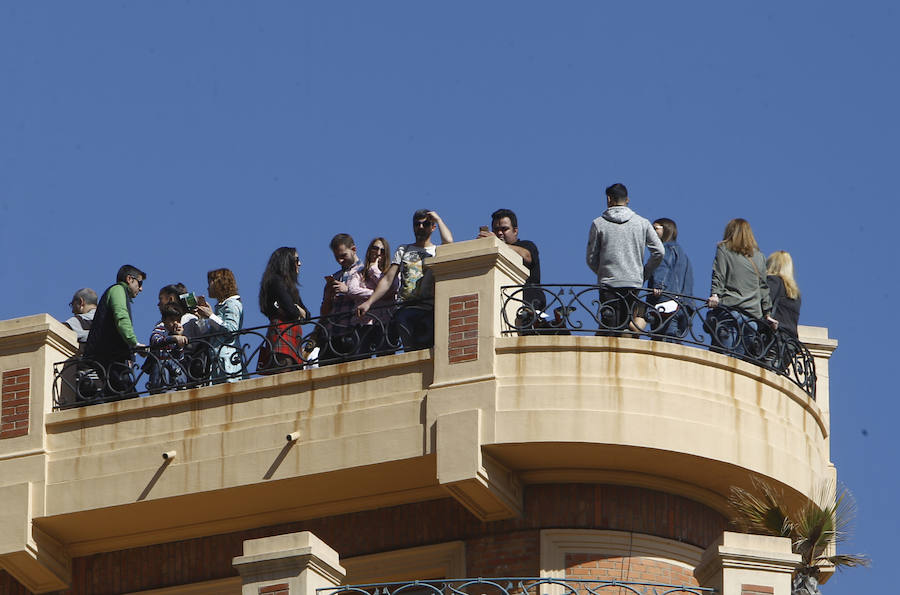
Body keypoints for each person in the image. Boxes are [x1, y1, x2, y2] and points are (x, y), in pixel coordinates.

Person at [356, 210, 453, 350]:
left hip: (430, 308)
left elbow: (449, 242)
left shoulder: (437, 251)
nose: (420, 227)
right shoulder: (404, 249)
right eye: (417, 224)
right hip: (406, 308)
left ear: (433, 227)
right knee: (410, 348)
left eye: (425, 224)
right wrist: (369, 302)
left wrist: (438, 219)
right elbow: (388, 279)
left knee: (430, 349)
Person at [586, 183, 664, 334]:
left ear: (609, 199)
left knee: (609, 323)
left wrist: (604, 271)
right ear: (627, 199)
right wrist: (643, 272)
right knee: (624, 323)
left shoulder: (598, 224)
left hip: (608, 282)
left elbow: (591, 257)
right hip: (633, 281)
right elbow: (659, 251)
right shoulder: (642, 223)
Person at [707, 219, 778, 356]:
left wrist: (715, 294)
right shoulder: (759, 257)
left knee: (725, 358)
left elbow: (719, 274)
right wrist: (767, 314)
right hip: (752, 318)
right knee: (738, 362)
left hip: (730, 310)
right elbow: (763, 288)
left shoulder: (724, 249)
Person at [83, 265, 147, 397]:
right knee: (129, 398)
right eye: (139, 283)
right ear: (130, 279)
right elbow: (121, 317)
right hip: (109, 358)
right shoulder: (118, 290)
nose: (141, 289)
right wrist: (134, 343)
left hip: (108, 359)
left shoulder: (118, 292)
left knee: (120, 396)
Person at [478, 209, 545, 325]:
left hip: (529, 306)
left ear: (515, 231)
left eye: (504, 229)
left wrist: (497, 243)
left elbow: (526, 256)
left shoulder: (526, 245)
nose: (499, 233)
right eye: (496, 230)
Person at [319, 234, 370, 362]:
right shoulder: (335, 276)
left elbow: (376, 295)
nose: (340, 261)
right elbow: (324, 313)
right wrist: (327, 297)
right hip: (331, 337)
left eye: (343, 256)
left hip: (355, 333)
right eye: (337, 257)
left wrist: (348, 290)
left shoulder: (367, 272)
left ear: (353, 250)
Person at [258, 247, 310, 371]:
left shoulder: (290, 286)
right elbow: (292, 310)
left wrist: (296, 310)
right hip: (282, 333)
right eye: (297, 259)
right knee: (284, 372)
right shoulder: (276, 281)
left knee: (293, 377)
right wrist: (297, 311)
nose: (300, 263)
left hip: (291, 335)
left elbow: (307, 315)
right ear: (287, 261)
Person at [646, 218, 694, 339]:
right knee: (673, 339)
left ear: (666, 229)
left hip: (665, 302)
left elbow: (663, 267)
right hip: (683, 306)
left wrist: (658, 286)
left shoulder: (665, 249)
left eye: (655, 228)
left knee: (662, 341)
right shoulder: (683, 255)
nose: (652, 232)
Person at [196, 268, 245, 382]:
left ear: (219, 283)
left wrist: (211, 316)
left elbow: (232, 330)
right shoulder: (221, 306)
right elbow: (209, 335)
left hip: (229, 362)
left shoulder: (232, 303)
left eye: (210, 283)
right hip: (218, 361)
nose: (208, 287)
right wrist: (202, 318)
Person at [146, 306, 190, 393]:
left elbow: (179, 358)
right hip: (160, 377)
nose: (175, 323)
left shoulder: (176, 333)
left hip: (174, 378)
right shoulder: (160, 330)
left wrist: (179, 342)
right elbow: (155, 341)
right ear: (164, 320)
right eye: (172, 320)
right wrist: (173, 338)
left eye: (178, 320)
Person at [766, 251, 801, 337]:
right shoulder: (795, 293)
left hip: (772, 338)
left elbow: (764, 303)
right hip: (789, 342)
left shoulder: (773, 281)